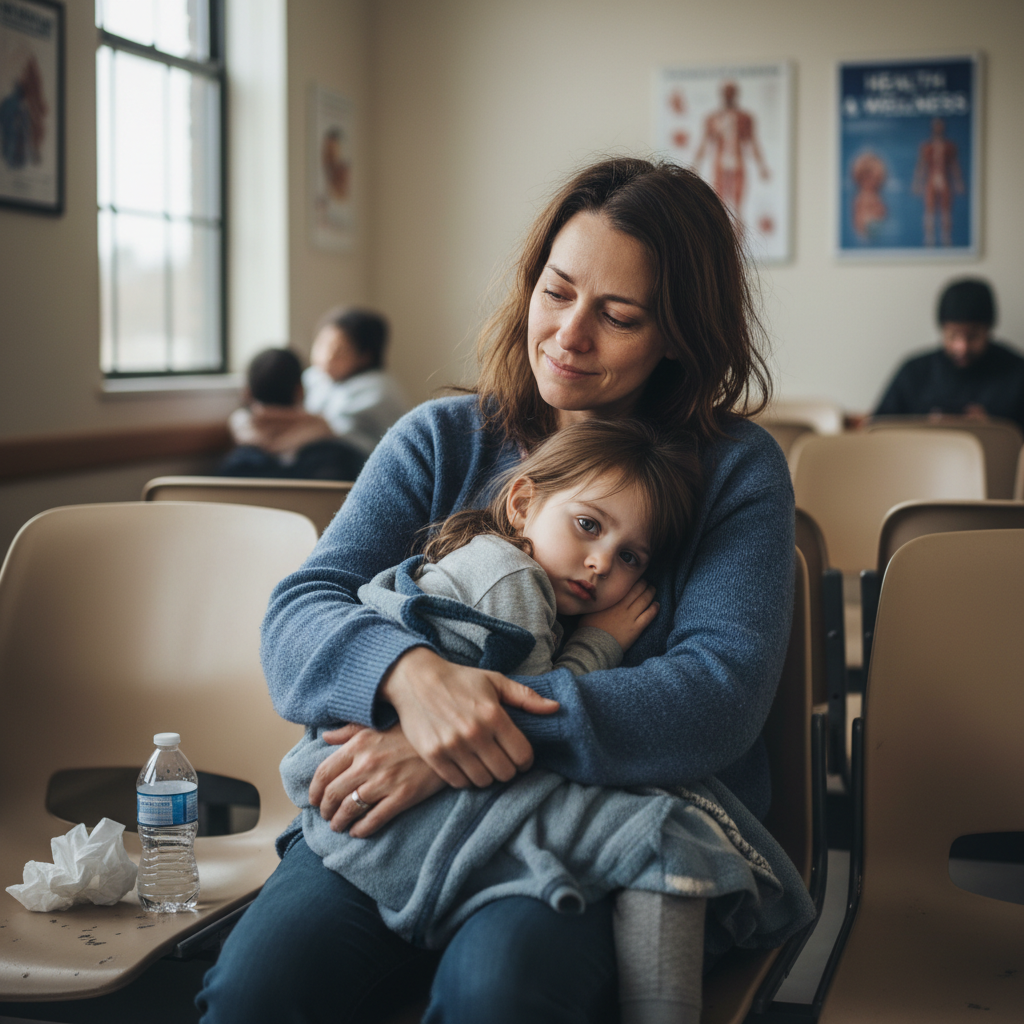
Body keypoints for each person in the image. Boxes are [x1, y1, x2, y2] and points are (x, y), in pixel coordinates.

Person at [197, 157, 800, 1024]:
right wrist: (412, 678)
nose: (568, 334)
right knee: (258, 990)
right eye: (556, 292)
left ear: (679, 336)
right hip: (395, 822)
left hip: (593, 822)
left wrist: (451, 739)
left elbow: (715, 698)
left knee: (499, 992)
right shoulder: (441, 440)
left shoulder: (736, 472)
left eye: (618, 315)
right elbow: (299, 613)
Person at [220, 309, 408, 480]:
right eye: (322, 345)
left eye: (339, 351)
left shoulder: (377, 389)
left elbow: (332, 431)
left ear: (365, 356)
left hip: (363, 465)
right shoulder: (316, 377)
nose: (327, 356)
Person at [875, 278, 1024, 430]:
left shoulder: (1017, 371)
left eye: (973, 336)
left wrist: (993, 429)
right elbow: (878, 428)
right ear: (942, 330)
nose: (962, 347)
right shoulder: (914, 371)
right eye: (953, 335)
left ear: (988, 330)